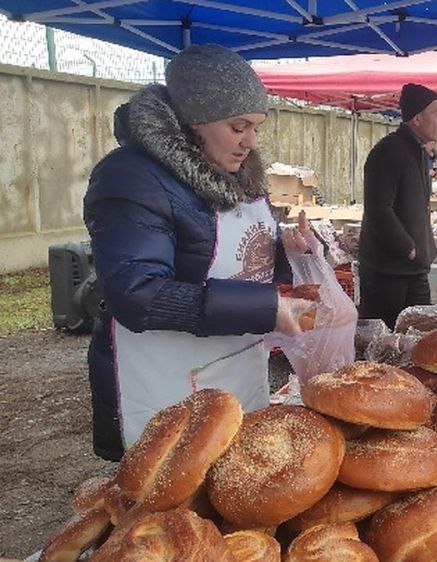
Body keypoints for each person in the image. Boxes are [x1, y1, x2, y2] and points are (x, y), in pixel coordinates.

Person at [84, 44, 319, 461]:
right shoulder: (132, 177)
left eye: (256, 128)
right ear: (195, 121)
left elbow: (233, 249)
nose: (249, 142)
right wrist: (264, 309)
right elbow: (136, 294)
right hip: (168, 385)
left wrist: (282, 248)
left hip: (236, 368)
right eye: (238, 126)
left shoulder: (238, 170)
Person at [358, 83, 437, 329]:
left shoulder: (418, 152)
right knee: (385, 344)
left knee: (417, 339)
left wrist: (426, 248)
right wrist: (408, 247)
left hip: (415, 271)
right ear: (417, 118)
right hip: (387, 274)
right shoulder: (387, 152)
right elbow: (378, 209)